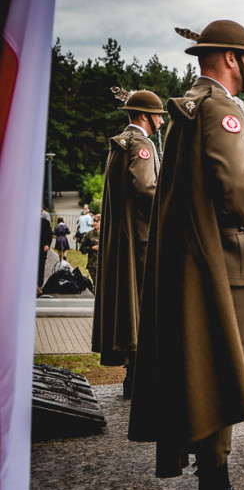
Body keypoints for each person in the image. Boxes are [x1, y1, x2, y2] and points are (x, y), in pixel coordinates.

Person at [128, 19, 244, 490]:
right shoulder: (220, 108)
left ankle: (213, 486)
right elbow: (239, 180)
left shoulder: (193, 104)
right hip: (230, 262)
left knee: (208, 373)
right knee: (221, 375)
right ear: (231, 59)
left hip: (206, 259)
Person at [92, 89, 166, 395]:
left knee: (132, 309)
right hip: (143, 240)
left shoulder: (121, 143)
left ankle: (133, 377)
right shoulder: (141, 145)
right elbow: (146, 188)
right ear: (145, 116)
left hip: (128, 240)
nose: (161, 120)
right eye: (158, 115)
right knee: (145, 309)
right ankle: (139, 379)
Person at [81, 213, 101, 283]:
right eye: (94, 221)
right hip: (93, 265)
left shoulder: (106, 234)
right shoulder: (89, 234)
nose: (95, 223)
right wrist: (92, 248)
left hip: (104, 264)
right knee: (97, 283)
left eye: (97, 221)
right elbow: (82, 249)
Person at [38, 209, 52, 296]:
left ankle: (39, 285)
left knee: (40, 267)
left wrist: (47, 245)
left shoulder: (45, 223)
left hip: (41, 248)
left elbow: (49, 235)